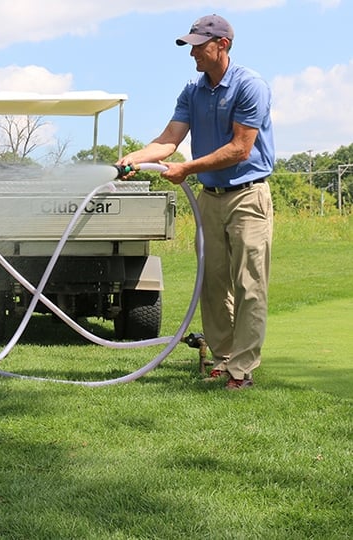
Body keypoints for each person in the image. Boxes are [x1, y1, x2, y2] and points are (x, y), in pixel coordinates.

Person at [117, 14, 274, 390]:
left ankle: (242, 368)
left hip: (247, 196)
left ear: (222, 45)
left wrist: (185, 168)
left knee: (249, 284)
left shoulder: (250, 86)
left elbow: (240, 148)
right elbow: (170, 138)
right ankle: (222, 357)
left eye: (198, 46)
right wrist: (134, 158)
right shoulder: (192, 91)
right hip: (210, 198)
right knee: (213, 283)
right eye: (190, 46)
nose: (192, 54)